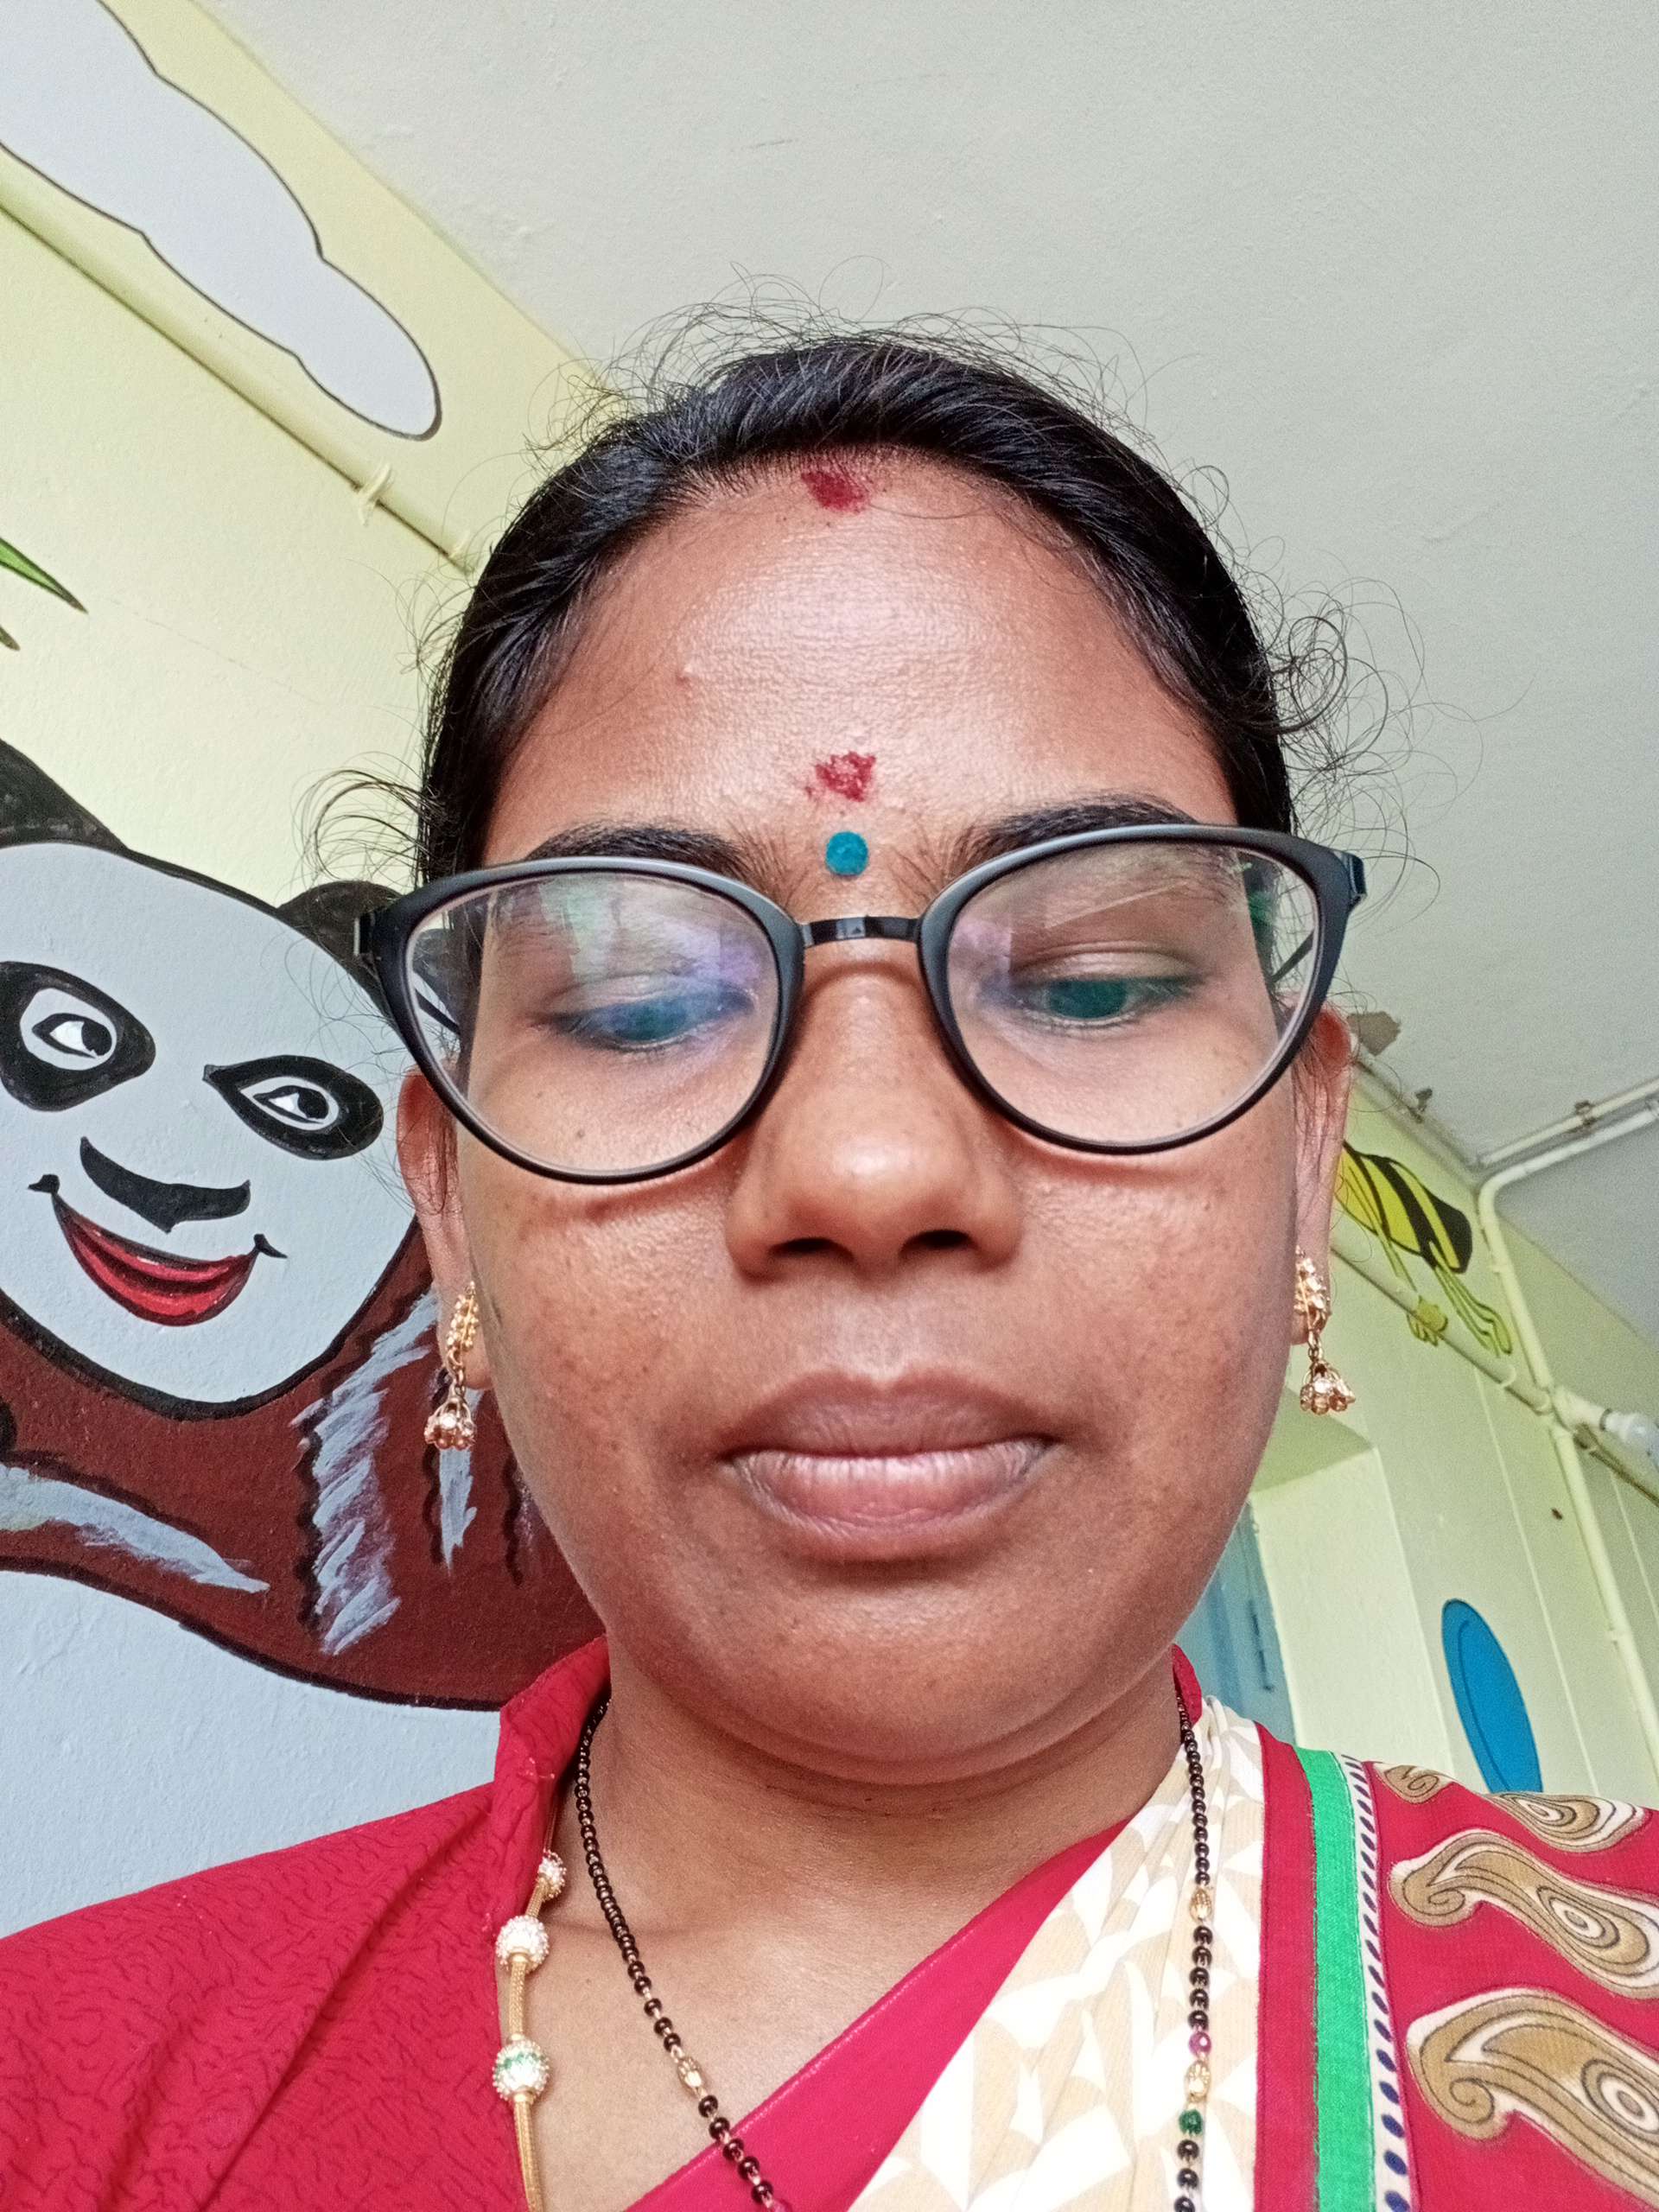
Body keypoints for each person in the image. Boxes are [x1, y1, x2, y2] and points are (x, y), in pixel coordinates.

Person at [3, 328, 1655, 2212]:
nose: (870, 1165)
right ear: (449, 1201)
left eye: (1094, 981)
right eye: (638, 999)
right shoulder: (64, 2096)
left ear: (1301, 1147)